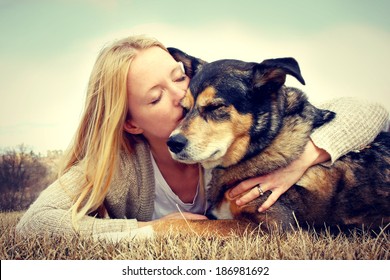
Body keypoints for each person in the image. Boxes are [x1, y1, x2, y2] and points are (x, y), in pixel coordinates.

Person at [16, 35, 389, 241]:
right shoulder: (122, 166)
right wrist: (156, 229)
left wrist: (307, 157)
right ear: (131, 123)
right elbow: (35, 225)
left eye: (178, 78)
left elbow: (370, 112)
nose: (182, 97)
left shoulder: (237, 143)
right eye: (155, 97)